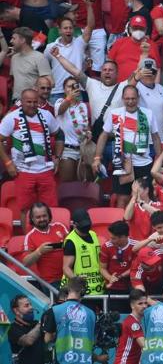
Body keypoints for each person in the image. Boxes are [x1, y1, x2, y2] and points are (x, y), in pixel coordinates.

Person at [0, 88, 64, 230]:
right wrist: (8, 163)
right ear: (21, 102)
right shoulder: (12, 117)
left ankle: (50, 239)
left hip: (46, 170)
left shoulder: (46, 115)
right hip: (23, 170)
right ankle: (27, 242)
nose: (32, 105)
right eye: (28, 102)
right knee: (25, 209)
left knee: (50, 209)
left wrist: (58, 157)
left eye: (35, 102)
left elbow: (59, 134)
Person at [93, 85, 162, 209]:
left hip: (144, 164)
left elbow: (156, 137)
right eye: (127, 99)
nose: (130, 102)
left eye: (133, 98)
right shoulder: (114, 113)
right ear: (122, 98)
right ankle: (122, 227)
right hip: (122, 163)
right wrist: (97, 158)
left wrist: (159, 160)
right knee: (122, 198)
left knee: (144, 198)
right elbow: (104, 135)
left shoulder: (148, 114)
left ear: (138, 98)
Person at [42, 277, 108, 364]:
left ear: (67, 290)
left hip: (63, 360)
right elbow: (93, 341)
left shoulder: (54, 310)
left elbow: (47, 339)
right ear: (83, 292)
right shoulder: (91, 314)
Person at [43, 0, 95, 102]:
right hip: (57, 91)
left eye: (70, 28)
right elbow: (44, 67)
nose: (68, 30)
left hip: (76, 90)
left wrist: (89, 6)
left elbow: (90, 27)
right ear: (59, 31)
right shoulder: (50, 47)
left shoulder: (79, 43)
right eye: (65, 28)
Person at [23, 202, 68, 289]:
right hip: (50, 283)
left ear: (49, 215)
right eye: (38, 217)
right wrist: (39, 251)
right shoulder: (30, 236)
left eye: (44, 216)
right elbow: (26, 263)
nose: (42, 219)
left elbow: (74, 243)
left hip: (68, 277)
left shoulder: (60, 227)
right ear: (32, 219)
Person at [61, 209, 106, 296]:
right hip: (80, 290)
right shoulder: (71, 241)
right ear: (73, 224)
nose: (86, 226)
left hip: (97, 287)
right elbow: (66, 268)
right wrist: (76, 279)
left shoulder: (93, 234)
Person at [55, 76, 90, 182]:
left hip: (82, 150)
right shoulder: (59, 102)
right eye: (70, 86)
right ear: (64, 89)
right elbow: (60, 110)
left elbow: (85, 124)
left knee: (82, 187)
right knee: (67, 187)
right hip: (67, 150)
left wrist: (88, 132)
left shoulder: (83, 106)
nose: (73, 89)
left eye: (75, 86)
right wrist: (69, 98)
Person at [108, 15, 161, 81]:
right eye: (135, 28)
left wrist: (155, 88)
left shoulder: (152, 45)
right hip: (120, 85)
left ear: (146, 30)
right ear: (130, 29)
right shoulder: (119, 43)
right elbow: (109, 63)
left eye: (141, 28)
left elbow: (158, 69)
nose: (138, 30)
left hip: (144, 86)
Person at [9, 27, 52, 102]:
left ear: (23, 40)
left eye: (14, 38)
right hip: (16, 102)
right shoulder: (14, 58)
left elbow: (50, 82)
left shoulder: (39, 57)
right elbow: (13, 81)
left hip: (33, 103)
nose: (11, 41)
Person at [99, 221, 136, 298]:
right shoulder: (106, 247)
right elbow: (102, 268)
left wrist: (120, 276)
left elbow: (135, 267)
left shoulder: (136, 246)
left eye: (113, 238)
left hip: (133, 287)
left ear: (123, 237)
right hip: (112, 288)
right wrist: (110, 278)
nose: (111, 240)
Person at [114, 289, 148, 364]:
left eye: (146, 303)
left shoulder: (134, 321)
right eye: (140, 303)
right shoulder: (133, 323)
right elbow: (145, 346)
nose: (144, 306)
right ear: (132, 305)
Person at [9, 294, 46, 364]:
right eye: (26, 306)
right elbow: (28, 341)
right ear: (16, 311)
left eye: (30, 305)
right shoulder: (13, 329)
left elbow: (50, 337)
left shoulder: (35, 323)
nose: (31, 307)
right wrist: (41, 322)